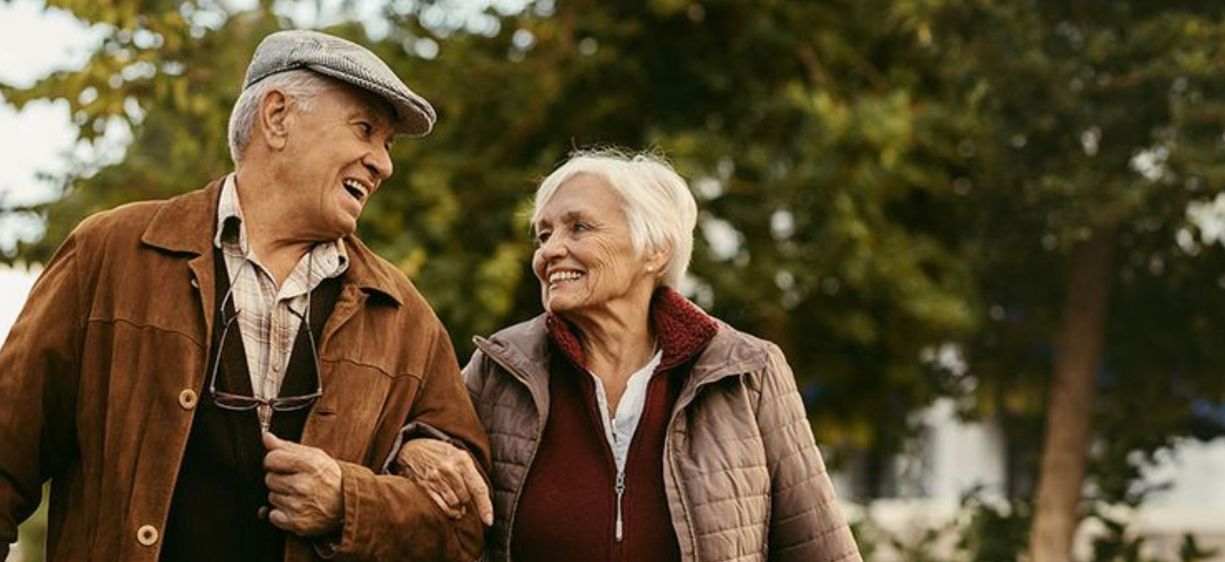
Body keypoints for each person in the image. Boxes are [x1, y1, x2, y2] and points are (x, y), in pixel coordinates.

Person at [0, 30, 490, 562]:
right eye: (365, 130)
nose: (383, 164)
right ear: (277, 117)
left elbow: (466, 529)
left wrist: (351, 505)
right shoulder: (111, 252)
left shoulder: (404, 318)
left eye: (387, 145)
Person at [396, 151, 861, 561]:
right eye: (543, 235)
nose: (550, 251)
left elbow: (818, 546)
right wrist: (411, 448)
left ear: (655, 250)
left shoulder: (747, 371)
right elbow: (410, 476)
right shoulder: (500, 369)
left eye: (578, 227)